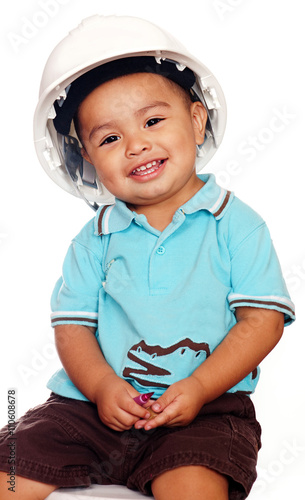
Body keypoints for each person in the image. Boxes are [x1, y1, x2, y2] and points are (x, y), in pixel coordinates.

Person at [0, 15, 295, 500]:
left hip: (206, 411)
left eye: (153, 121)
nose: (136, 144)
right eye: (109, 138)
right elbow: (73, 327)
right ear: (89, 160)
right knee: (12, 471)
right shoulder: (94, 238)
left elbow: (262, 320)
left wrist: (199, 387)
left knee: (194, 488)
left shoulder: (236, 225)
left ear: (197, 121)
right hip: (87, 410)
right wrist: (99, 388)